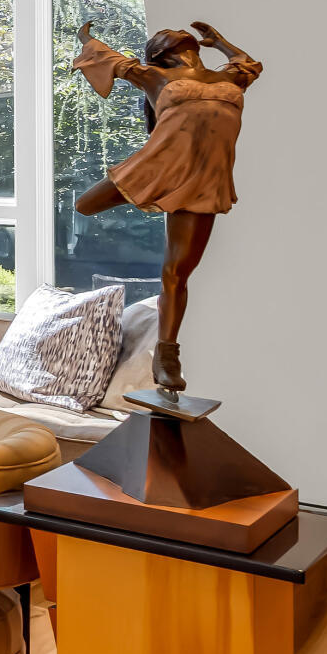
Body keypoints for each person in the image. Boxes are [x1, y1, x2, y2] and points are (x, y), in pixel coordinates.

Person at [71, 20, 261, 397]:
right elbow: (112, 60)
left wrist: (220, 42)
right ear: (159, 51)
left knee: (177, 272)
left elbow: (248, 64)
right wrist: (86, 39)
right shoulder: (154, 75)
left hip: (205, 180)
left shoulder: (227, 78)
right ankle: (145, 187)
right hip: (160, 165)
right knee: (84, 205)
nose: (178, 35)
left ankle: (167, 355)